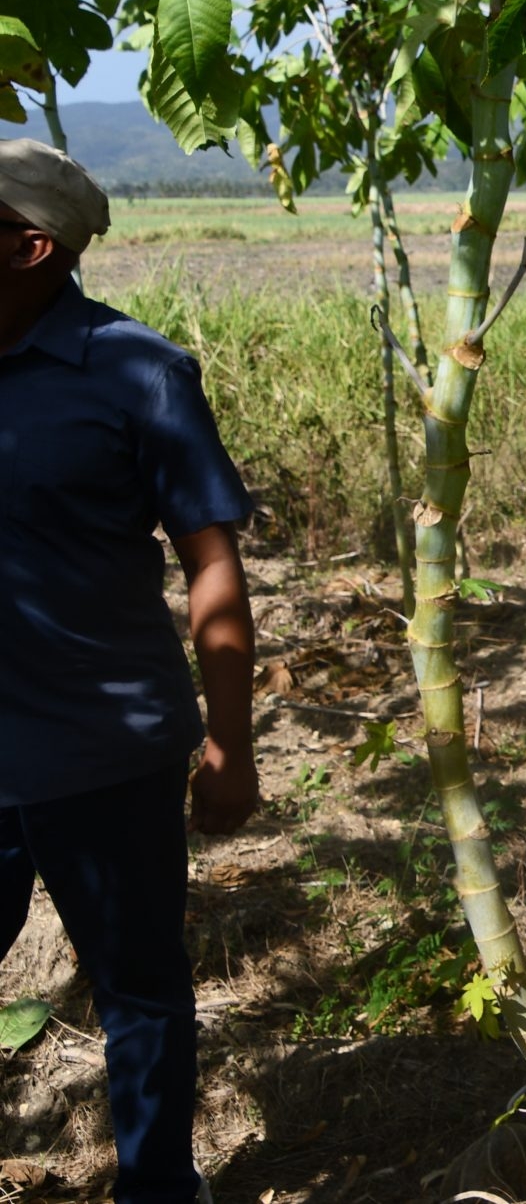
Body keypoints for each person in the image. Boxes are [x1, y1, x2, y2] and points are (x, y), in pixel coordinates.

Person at [0, 139, 259, 1204]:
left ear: (29, 246)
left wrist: (229, 745)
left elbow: (213, 565)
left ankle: (157, 1187)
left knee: (140, 990)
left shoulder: (135, 372)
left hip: (104, 754)